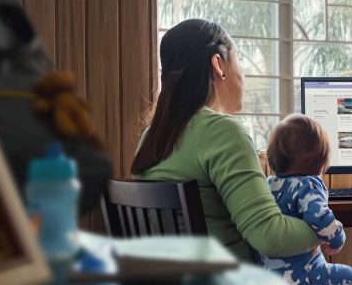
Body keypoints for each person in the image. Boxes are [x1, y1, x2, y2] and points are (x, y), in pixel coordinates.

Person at [131, 19, 319, 262]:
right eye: (238, 61)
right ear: (218, 64)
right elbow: (269, 236)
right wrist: (324, 230)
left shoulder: (151, 136)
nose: (242, 74)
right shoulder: (222, 132)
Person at [256, 114, 352, 284]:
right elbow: (319, 217)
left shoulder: (268, 184)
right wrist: (338, 239)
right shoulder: (308, 185)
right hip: (304, 274)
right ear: (321, 163)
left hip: (266, 273)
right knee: (347, 276)